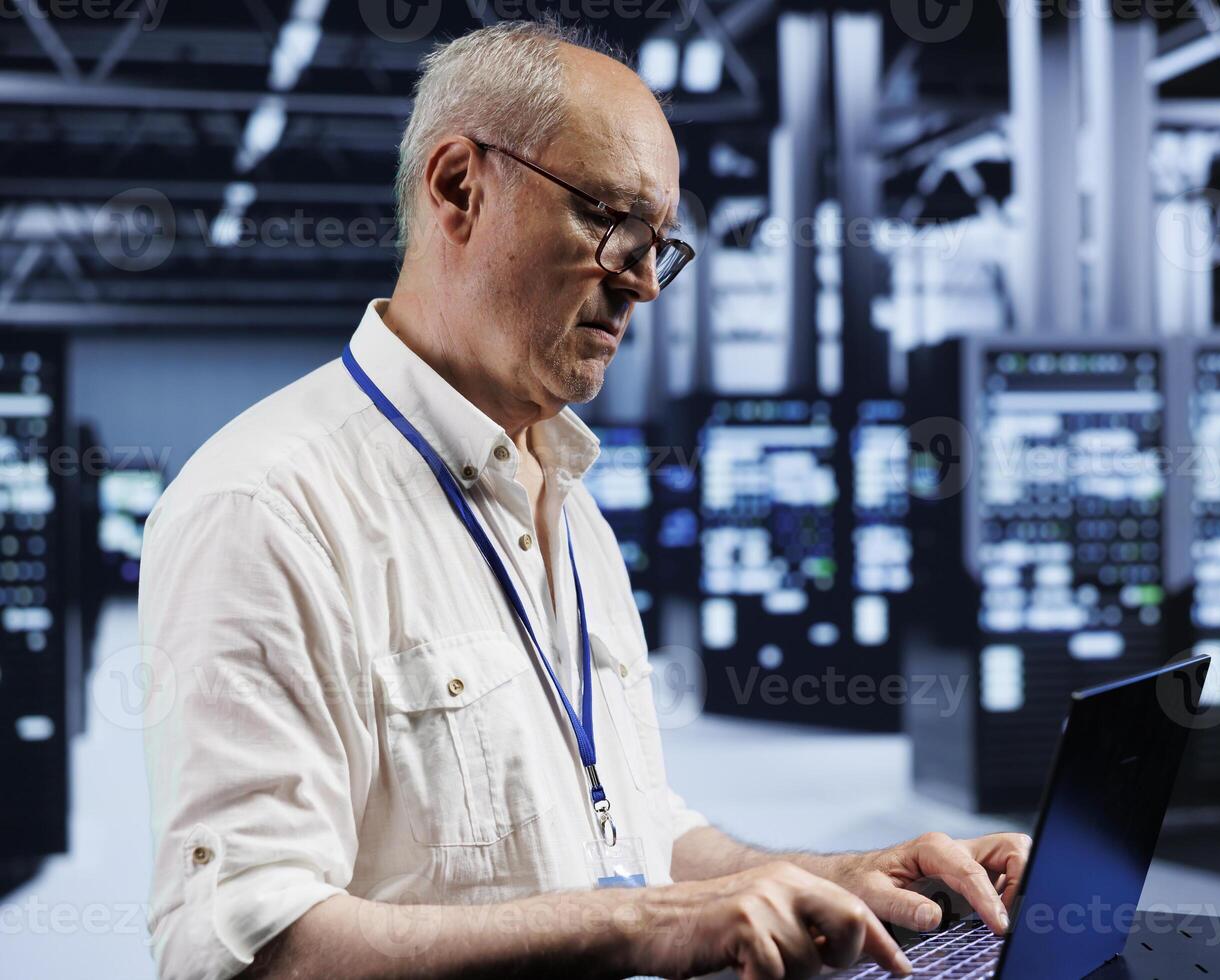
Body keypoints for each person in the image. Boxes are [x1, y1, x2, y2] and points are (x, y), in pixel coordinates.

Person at [138, 20, 1029, 980]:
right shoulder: (268, 508)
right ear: (459, 187)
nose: (643, 282)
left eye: (660, 245)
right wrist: (640, 924)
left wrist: (840, 878)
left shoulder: (572, 507)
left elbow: (629, 831)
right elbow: (243, 946)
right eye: (611, 220)